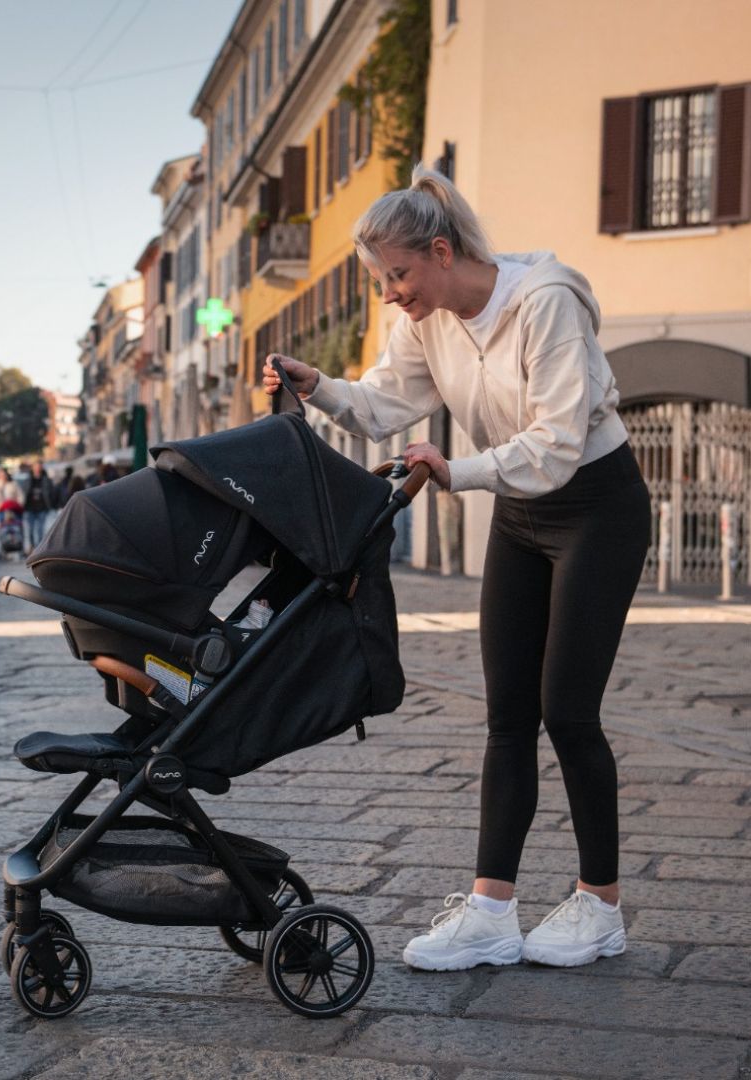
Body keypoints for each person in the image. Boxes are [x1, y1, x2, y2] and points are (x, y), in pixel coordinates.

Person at [263, 164, 650, 972]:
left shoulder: (544, 302)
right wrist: (319, 385)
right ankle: (490, 912)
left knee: (568, 712)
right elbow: (379, 406)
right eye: (382, 281)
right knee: (507, 715)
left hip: (597, 508)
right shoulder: (428, 317)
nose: (391, 294)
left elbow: (556, 445)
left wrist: (457, 470)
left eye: (397, 275)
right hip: (521, 513)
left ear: (440, 251)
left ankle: (601, 906)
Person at [20, 457, 56, 555]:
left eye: (39, 466)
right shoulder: (28, 480)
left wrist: (51, 505)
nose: (37, 468)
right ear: (32, 468)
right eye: (35, 466)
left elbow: (52, 493)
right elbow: (23, 493)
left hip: (42, 508)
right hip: (29, 508)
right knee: (30, 529)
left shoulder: (46, 480)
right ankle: (31, 545)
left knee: (40, 529)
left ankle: (39, 548)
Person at [0, 467, 23, 549]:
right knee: (1, 530)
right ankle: (2, 548)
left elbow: (20, 495)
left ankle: (15, 547)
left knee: (15, 529)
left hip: (13, 510)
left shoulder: (13, 484)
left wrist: (18, 505)